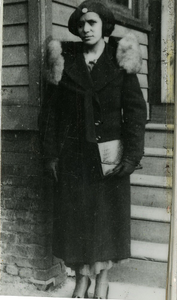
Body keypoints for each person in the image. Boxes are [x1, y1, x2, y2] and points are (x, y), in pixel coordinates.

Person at [40, 0, 147, 298]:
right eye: (82, 25)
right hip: (74, 157)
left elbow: (136, 112)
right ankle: (81, 279)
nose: (86, 30)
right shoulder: (65, 60)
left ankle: (101, 281)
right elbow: (50, 114)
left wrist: (132, 156)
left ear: (104, 27)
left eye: (93, 24)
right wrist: (50, 155)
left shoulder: (120, 60)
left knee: (106, 222)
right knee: (77, 222)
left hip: (108, 159)